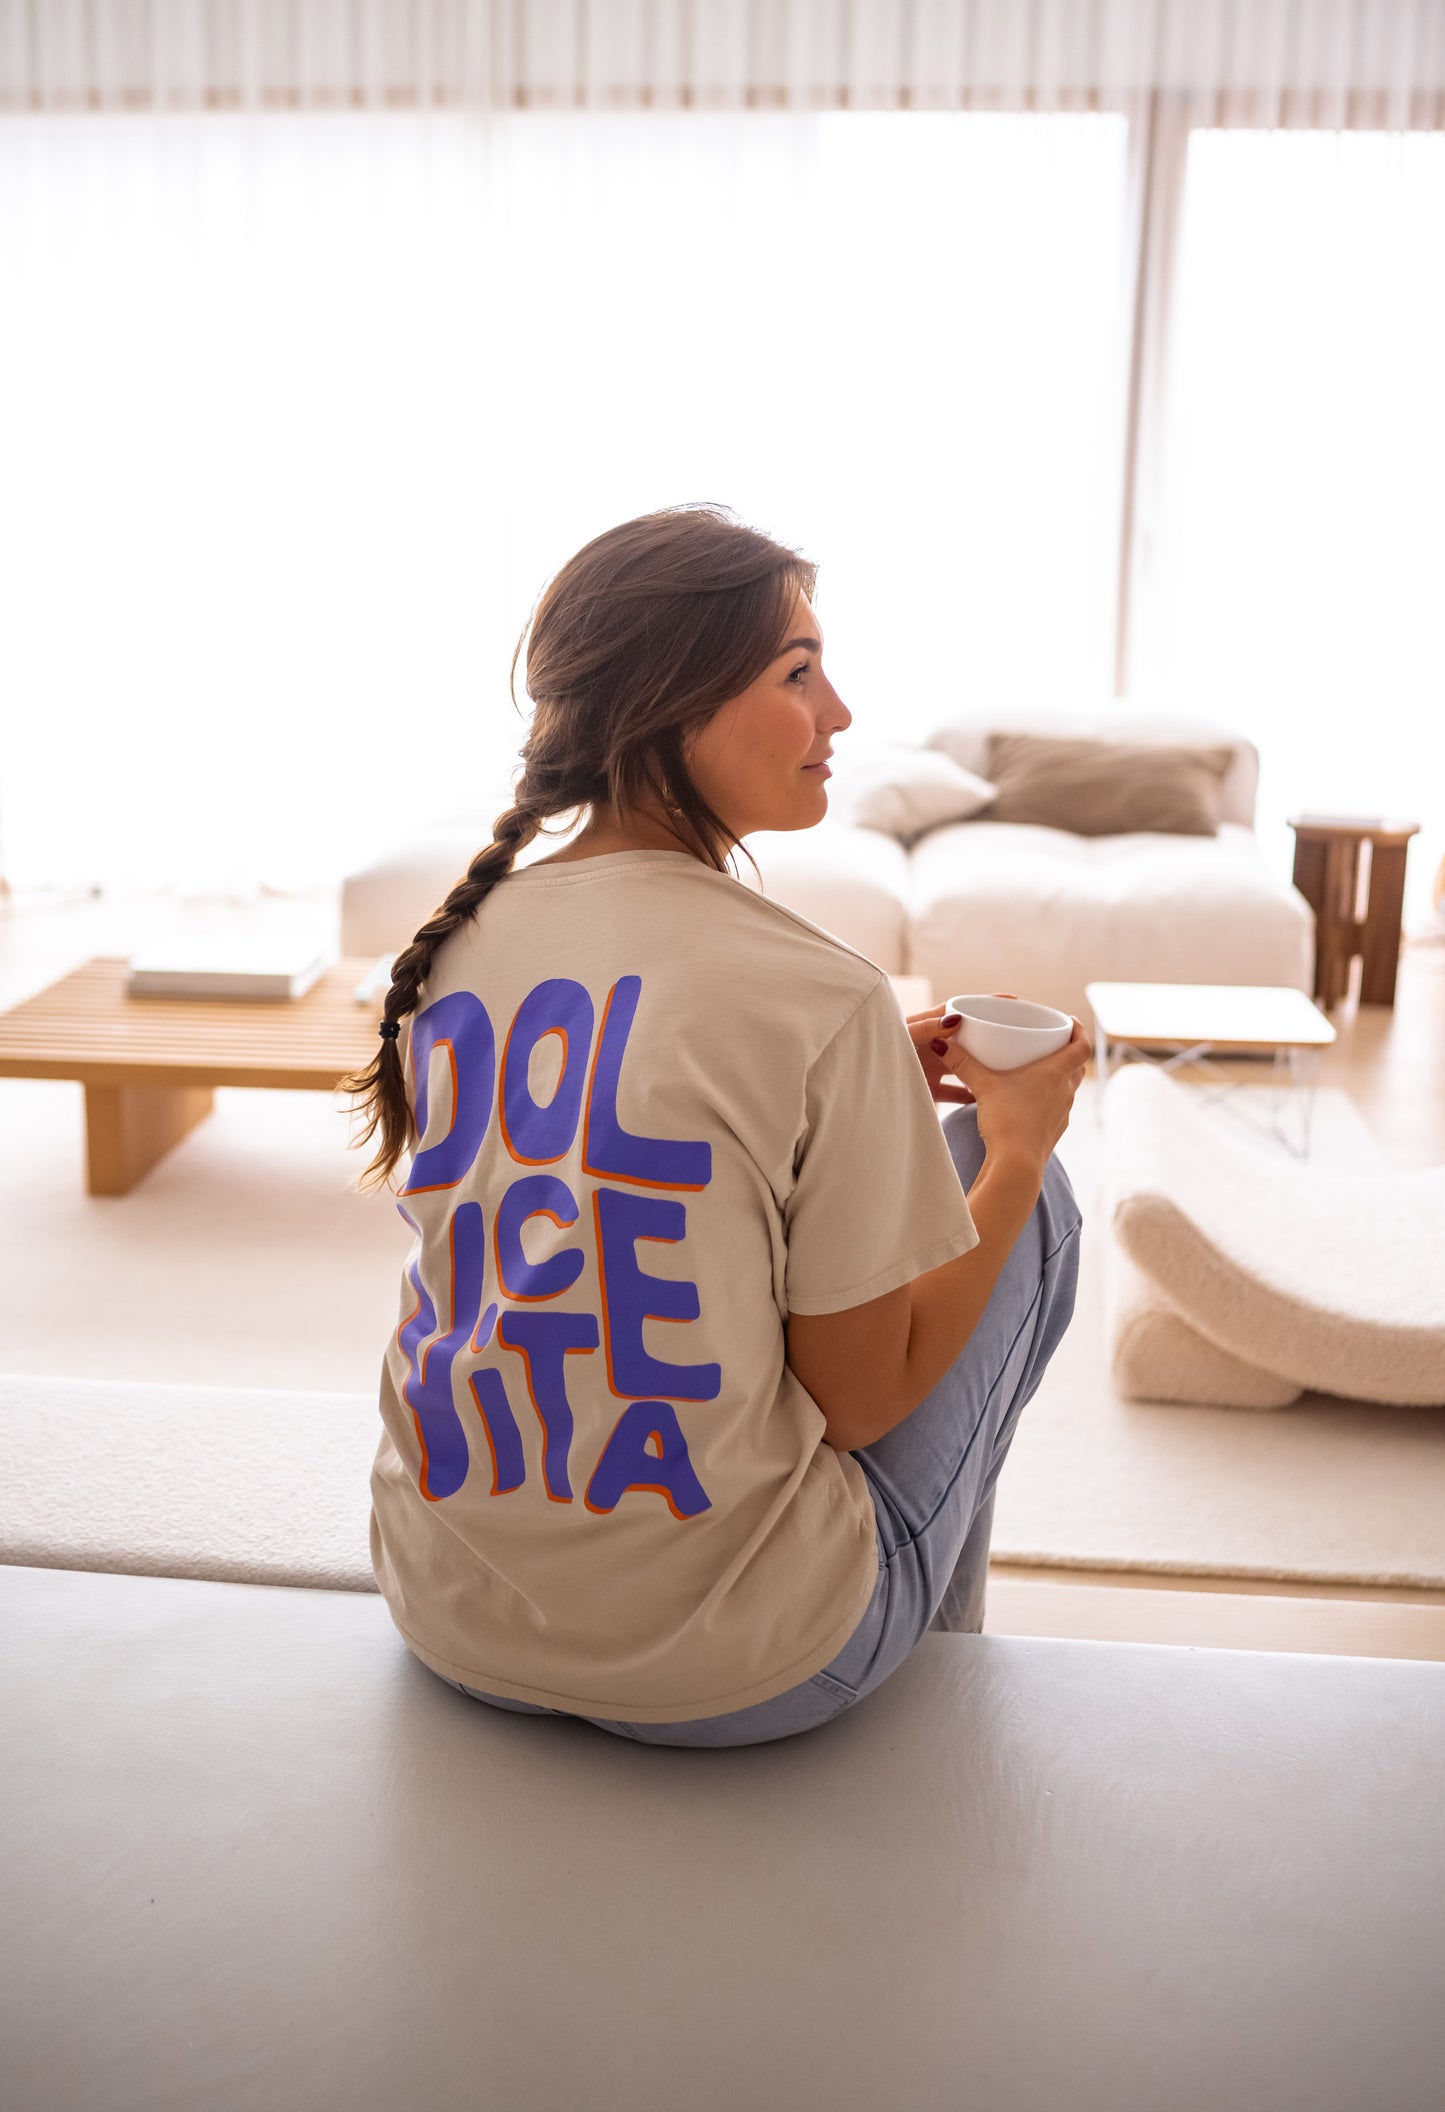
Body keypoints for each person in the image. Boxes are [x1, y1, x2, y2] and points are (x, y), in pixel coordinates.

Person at [343, 504, 1086, 1749]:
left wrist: (850, 1093)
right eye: (798, 672)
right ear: (672, 704)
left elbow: (605, 1162)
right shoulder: (816, 994)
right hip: (744, 1672)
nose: (838, 712)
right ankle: (931, 1669)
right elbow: (863, 1405)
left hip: (452, 1616)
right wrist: (1019, 1149)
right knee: (1032, 1206)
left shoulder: (455, 950)